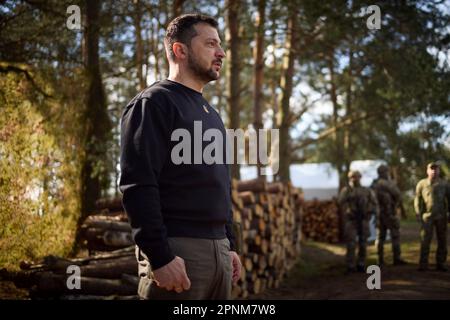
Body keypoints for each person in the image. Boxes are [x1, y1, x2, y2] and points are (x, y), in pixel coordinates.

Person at [119, 13, 241, 299]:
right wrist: (160, 257)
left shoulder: (213, 115)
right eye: (211, 44)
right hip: (180, 253)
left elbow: (221, 185)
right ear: (180, 50)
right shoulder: (154, 103)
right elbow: (137, 185)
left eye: (220, 45)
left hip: (219, 253)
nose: (221, 53)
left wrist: (230, 245)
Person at [338, 170, 378, 273]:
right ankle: (350, 265)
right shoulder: (346, 190)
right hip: (351, 220)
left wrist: (370, 213)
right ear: (349, 178)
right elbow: (340, 202)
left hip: (363, 219)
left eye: (357, 177)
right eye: (352, 177)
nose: (355, 179)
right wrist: (348, 210)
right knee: (351, 243)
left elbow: (374, 203)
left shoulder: (366, 191)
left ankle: (361, 264)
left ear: (360, 177)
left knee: (363, 243)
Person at [414, 162, 450, 272]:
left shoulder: (444, 184)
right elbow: (417, 199)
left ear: (439, 170)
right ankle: (423, 264)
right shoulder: (422, 184)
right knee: (425, 240)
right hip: (427, 217)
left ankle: (441, 263)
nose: (434, 171)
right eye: (431, 169)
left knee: (442, 240)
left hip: (441, 216)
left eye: (436, 169)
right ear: (427, 170)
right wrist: (418, 212)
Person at [371, 164, 407, 267]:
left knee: (380, 237)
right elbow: (398, 195)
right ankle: (397, 258)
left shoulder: (374, 184)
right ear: (385, 172)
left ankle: (380, 260)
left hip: (379, 215)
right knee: (395, 236)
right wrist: (399, 208)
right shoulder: (388, 183)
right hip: (390, 213)